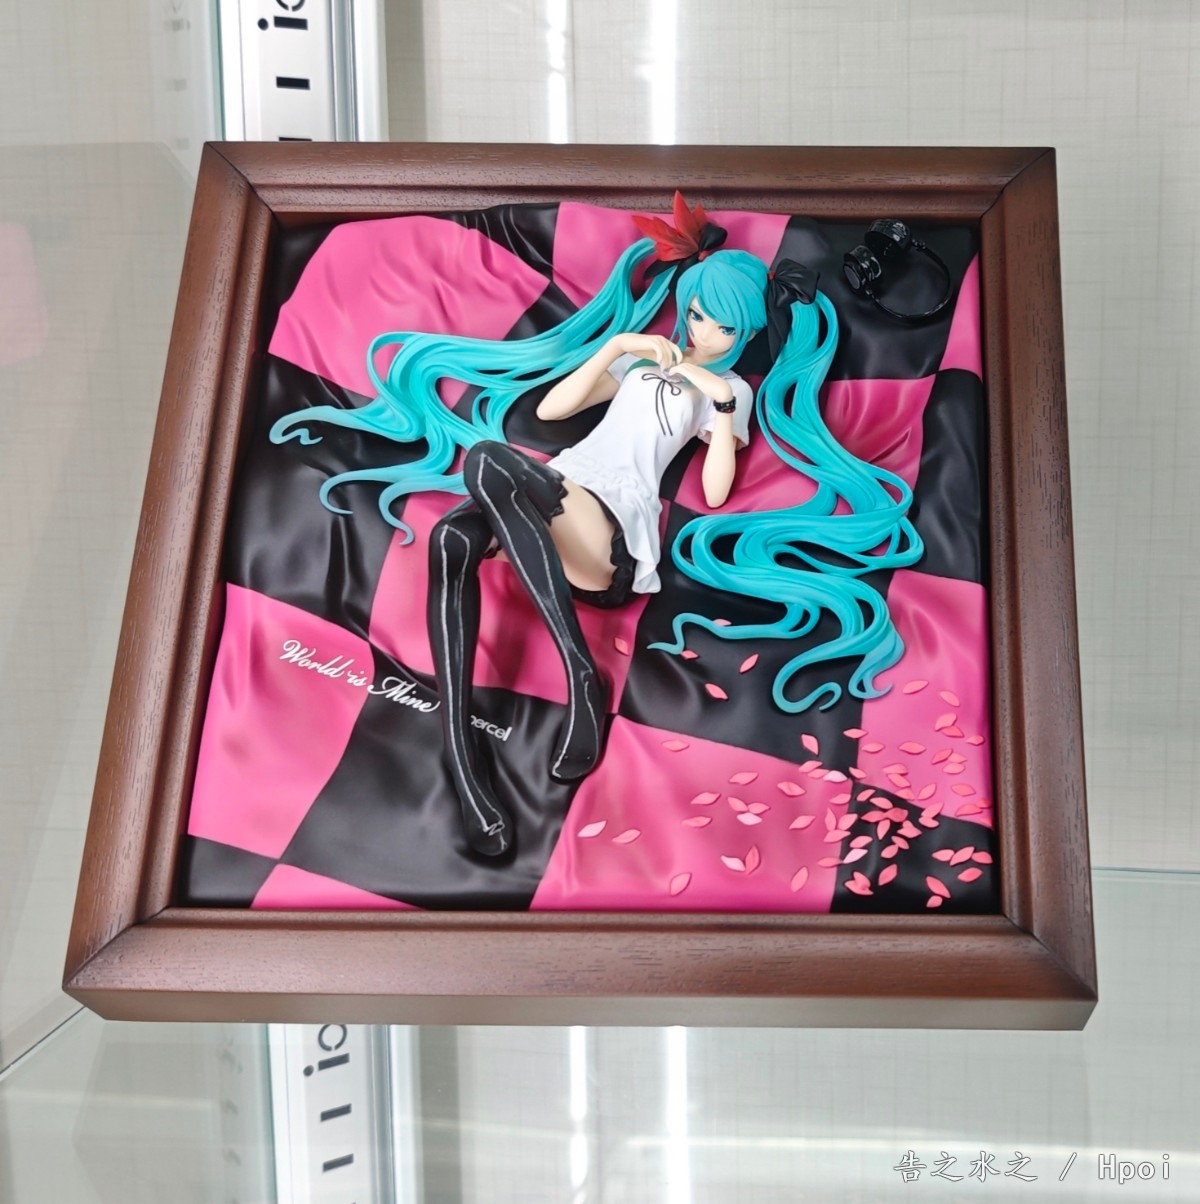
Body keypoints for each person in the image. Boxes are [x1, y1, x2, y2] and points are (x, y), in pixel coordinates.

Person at [271, 197, 922, 856]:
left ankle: (581, 672)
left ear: (747, 334)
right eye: (698, 315)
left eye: (724, 329)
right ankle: (466, 770)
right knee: (450, 538)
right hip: (553, 493)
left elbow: (716, 490)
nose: (704, 333)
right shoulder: (641, 364)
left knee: (489, 460)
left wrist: (723, 407)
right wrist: (617, 346)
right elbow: (554, 410)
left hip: (608, 532)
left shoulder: (725, 392)